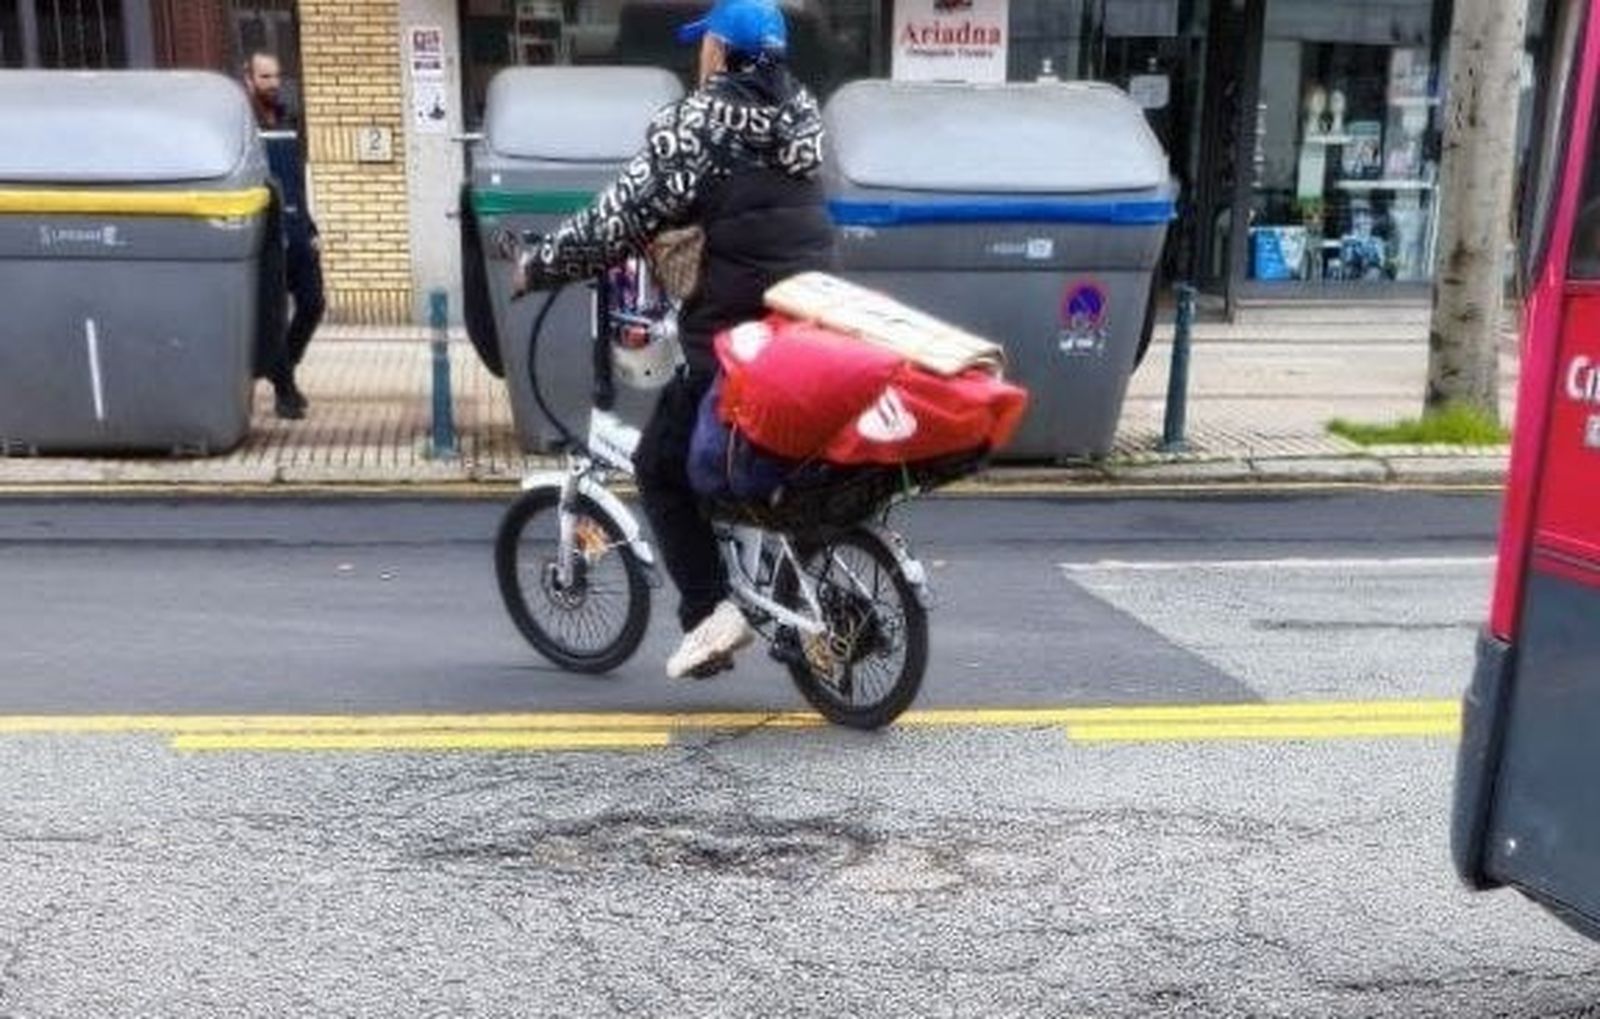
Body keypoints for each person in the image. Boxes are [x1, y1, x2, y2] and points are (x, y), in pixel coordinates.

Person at [508, 0, 834, 679]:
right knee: (732, 456)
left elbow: (616, 217)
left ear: (718, 52)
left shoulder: (695, 124)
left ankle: (710, 608)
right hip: (812, 322)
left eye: (703, 45)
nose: (698, 57)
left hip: (735, 337)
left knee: (661, 464)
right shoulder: (802, 112)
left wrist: (540, 265)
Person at [244, 50, 326, 421]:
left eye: (276, 76)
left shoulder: (289, 119)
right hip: (267, 236)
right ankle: (284, 390)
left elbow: (294, 182)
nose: (274, 83)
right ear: (249, 80)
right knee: (275, 314)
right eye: (265, 77)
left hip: (296, 229)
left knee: (312, 303)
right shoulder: (243, 125)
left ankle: (284, 368)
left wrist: (310, 228)